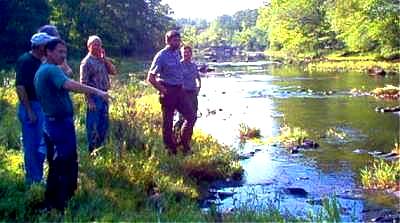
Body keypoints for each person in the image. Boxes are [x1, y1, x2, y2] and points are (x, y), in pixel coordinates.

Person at [34, 38, 110, 211]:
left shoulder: (44, 69)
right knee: (64, 162)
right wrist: (97, 91)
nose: (63, 55)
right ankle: (61, 204)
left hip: (53, 122)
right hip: (59, 125)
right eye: (59, 52)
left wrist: (64, 63)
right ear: (48, 52)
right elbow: (71, 84)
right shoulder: (51, 70)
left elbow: (66, 75)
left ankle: (54, 200)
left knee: (58, 162)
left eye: (65, 52)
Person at [147, 30, 197, 155]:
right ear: (168, 41)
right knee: (168, 123)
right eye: (175, 40)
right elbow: (150, 77)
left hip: (180, 91)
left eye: (179, 40)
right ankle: (170, 149)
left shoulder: (177, 53)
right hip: (168, 91)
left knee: (191, 116)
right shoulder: (161, 56)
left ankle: (184, 144)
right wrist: (163, 90)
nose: (178, 42)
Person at [15, 32, 54, 185]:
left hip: (42, 106)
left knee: (42, 144)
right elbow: (20, 87)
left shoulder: (43, 61)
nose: (49, 48)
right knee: (31, 145)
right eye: (47, 45)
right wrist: (29, 111)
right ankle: (32, 180)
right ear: (40, 47)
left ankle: (38, 176)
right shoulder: (26, 61)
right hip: (31, 106)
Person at [80, 35, 117, 153]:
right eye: (94, 44)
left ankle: (100, 148)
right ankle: (92, 150)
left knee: (103, 124)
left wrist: (104, 59)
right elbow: (83, 83)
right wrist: (89, 100)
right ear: (89, 46)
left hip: (104, 95)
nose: (97, 47)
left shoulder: (101, 60)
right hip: (94, 97)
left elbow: (114, 72)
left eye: (99, 44)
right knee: (93, 124)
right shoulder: (86, 62)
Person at [174, 45, 201, 139]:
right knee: (182, 117)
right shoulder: (178, 65)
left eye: (188, 52)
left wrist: (199, 87)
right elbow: (174, 79)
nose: (186, 54)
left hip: (193, 94)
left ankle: (187, 138)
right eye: (184, 52)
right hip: (183, 94)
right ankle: (177, 137)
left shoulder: (194, 65)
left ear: (191, 54)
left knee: (193, 117)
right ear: (181, 54)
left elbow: (198, 78)